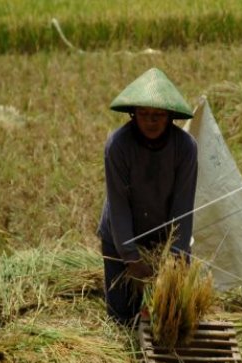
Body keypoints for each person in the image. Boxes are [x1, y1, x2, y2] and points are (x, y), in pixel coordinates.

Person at [98, 67, 198, 326]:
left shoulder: (185, 148)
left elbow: (183, 207)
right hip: (123, 235)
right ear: (133, 115)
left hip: (166, 236)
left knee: (172, 312)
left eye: (158, 115)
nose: (151, 121)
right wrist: (131, 258)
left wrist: (175, 258)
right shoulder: (118, 147)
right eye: (144, 114)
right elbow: (118, 205)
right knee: (122, 315)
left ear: (170, 116)